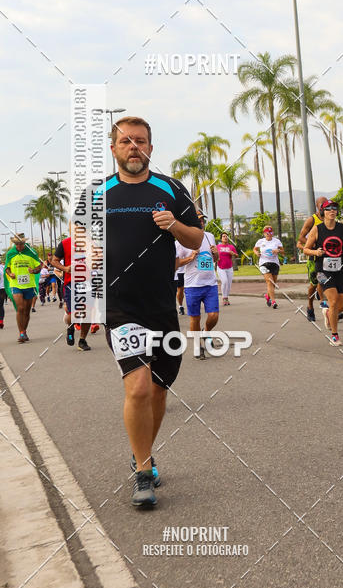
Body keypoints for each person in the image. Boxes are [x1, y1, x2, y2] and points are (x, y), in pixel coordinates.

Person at [97, 116, 203, 508]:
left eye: (140, 141)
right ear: (114, 149)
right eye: (125, 142)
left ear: (151, 149)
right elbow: (80, 244)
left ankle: (145, 451)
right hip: (120, 306)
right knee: (138, 385)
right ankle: (143, 472)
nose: (133, 147)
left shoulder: (172, 189)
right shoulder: (97, 194)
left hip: (161, 306)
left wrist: (174, 224)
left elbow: (197, 236)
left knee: (159, 388)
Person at [303, 200, 343, 347]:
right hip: (323, 271)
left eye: (334, 209)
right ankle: (334, 336)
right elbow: (305, 249)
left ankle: (328, 314)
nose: (332, 211)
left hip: (342, 270)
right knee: (333, 302)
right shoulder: (317, 229)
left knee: (342, 306)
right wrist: (316, 252)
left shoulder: (342, 228)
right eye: (328, 209)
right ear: (323, 212)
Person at [175, 216, 219, 360]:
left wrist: (216, 254)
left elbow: (214, 259)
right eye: (198, 220)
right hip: (193, 285)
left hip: (210, 283)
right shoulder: (181, 241)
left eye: (202, 220)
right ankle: (197, 345)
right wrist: (190, 257)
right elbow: (176, 264)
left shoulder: (210, 236)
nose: (201, 222)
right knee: (195, 318)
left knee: (214, 316)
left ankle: (206, 332)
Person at [51, 232, 92, 352]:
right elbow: (54, 261)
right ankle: (70, 327)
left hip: (88, 282)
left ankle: (82, 340)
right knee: (72, 313)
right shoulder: (65, 243)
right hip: (71, 283)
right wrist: (65, 268)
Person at [4, 237, 42, 342]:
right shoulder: (10, 254)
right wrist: (10, 273)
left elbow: (39, 267)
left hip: (29, 285)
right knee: (20, 308)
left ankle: (24, 331)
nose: (18, 246)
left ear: (24, 243)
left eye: (20, 244)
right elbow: (7, 267)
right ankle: (21, 333)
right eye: (16, 244)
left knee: (26, 311)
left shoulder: (31, 253)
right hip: (16, 284)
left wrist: (33, 270)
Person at [297, 196, 327, 322]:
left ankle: (331, 309)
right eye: (322, 206)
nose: (324, 208)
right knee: (315, 284)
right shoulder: (312, 220)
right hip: (314, 257)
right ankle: (310, 306)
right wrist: (313, 245)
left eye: (326, 205)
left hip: (328, 256)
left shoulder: (330, 217)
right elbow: (301, 237)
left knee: (327, 282)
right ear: (317, 207)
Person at [253, 226, 284, 309]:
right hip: (264, 263)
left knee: (273, 283)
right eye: (267, 233)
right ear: (264, 233)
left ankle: (268, 296)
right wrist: (256, 253)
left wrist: (278, 251)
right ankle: (273, 301)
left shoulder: (277, 241)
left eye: (271, 232)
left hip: (274, 263)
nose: (269, 234)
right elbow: (255, 249)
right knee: (269, 282)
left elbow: (283, 251)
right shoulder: (260, 241)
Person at [216, 232, 238, 305]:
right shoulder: (218, 246)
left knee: (229, 284)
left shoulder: (231, 247)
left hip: (229, 268)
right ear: (221, 238)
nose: (225, 237)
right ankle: (224, 297)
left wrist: (233, 254)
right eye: (223, 236)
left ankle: (227, 297)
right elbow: (214, 255)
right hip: (221, 267)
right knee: (224, 281)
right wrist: (217, 258)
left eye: (226, 236)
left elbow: (236, 255)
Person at [0, 258, 6, 329]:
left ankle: (1, 321)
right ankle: (1, 321)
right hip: (2, 288)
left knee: (1, 305)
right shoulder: (2, 267)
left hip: (2, 288)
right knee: (0, 306)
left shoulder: (3, 267)